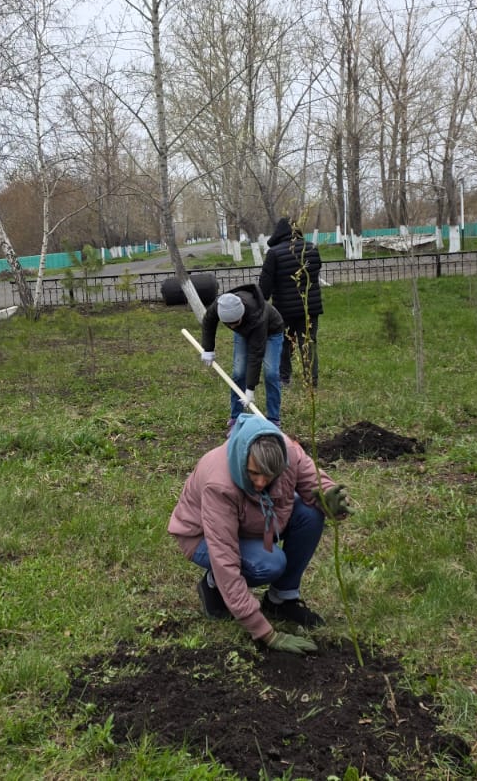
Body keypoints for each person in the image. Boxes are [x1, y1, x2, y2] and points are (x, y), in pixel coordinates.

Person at [167, 414, 352, 655]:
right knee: (269, 564)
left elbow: (315, 483)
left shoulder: (289, 452)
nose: (261, 483)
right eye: (254, 473)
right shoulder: (219, 484)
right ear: (244, 459)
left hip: (254, 522)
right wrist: (266, 633)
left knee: (311, 513)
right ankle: (213, 586)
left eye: (269, 475)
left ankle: (281, 599)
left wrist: (331, 502)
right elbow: (224, 557)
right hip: (203, 536)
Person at [199, 282, 286, 428]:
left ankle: (273, 419)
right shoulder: (220, 305)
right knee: (238, 373)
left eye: (235, 322)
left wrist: (250, 389)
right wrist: (208, 349)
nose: (233, 326)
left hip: (272, 331)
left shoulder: (257, 316)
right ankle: (236, 417)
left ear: (242, 314)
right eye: (229, 324)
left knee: (271, 373)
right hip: (244, 332)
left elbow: (255, 354)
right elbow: (208, 321)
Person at [258, 217, 323, 388]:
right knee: (308, 342)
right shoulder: (311, 248)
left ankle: (284, 378)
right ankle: (311, 381)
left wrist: (261, 301)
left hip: (284, 309)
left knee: (284, 342)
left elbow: (265, 282)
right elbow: (316, 271)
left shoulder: (274, 253)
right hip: (310, 307)